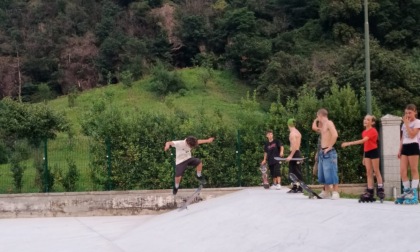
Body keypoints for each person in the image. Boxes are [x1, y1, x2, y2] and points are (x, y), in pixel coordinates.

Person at [341, 115, 385, 201]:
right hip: (367, 152)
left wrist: (348, 143)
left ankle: (380, 189)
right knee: (368, 172)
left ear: (372, 122)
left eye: (368, 120)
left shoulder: (373, 131)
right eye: (365, 119)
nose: (365, 121)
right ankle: (370, 190)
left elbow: (363, 141)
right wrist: (364, 156)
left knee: (376, 171)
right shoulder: (364, 132)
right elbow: (366, 145)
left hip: (374, 151)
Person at [312, 108, 340, 199]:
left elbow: (335, 134)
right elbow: (314, 128)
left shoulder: (329, 123)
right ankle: (326, 192)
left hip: (329, 152)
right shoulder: (323, 125)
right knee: (323, 173)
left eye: (317, 116)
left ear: (321, 115)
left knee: (332, 171)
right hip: (322, 152)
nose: (317, 118)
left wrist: (330, 146)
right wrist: (316, 120)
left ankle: (335, 192)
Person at [396, 104, 420, 204]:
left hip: (413, 146)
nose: (408, 115)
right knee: (402, 171)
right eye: (406, 113)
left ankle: (414, 193)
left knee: (414, 169)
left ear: (415, 112)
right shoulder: (404, 124)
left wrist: (406, 123)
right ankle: (406, 191)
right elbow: (403, 138)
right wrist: (399, 150)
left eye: (410, 113)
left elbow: (411, 135)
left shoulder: (417, 122)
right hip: (405, 147)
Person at [285, 118, 303, 193]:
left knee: (294, 171)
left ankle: (299, 187)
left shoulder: (292, 134)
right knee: (295, 171)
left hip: (294, 153)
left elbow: (295, 145)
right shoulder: (298, 132)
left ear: (288, 125)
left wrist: (291, 155)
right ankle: (295, 187)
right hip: (297, 152)